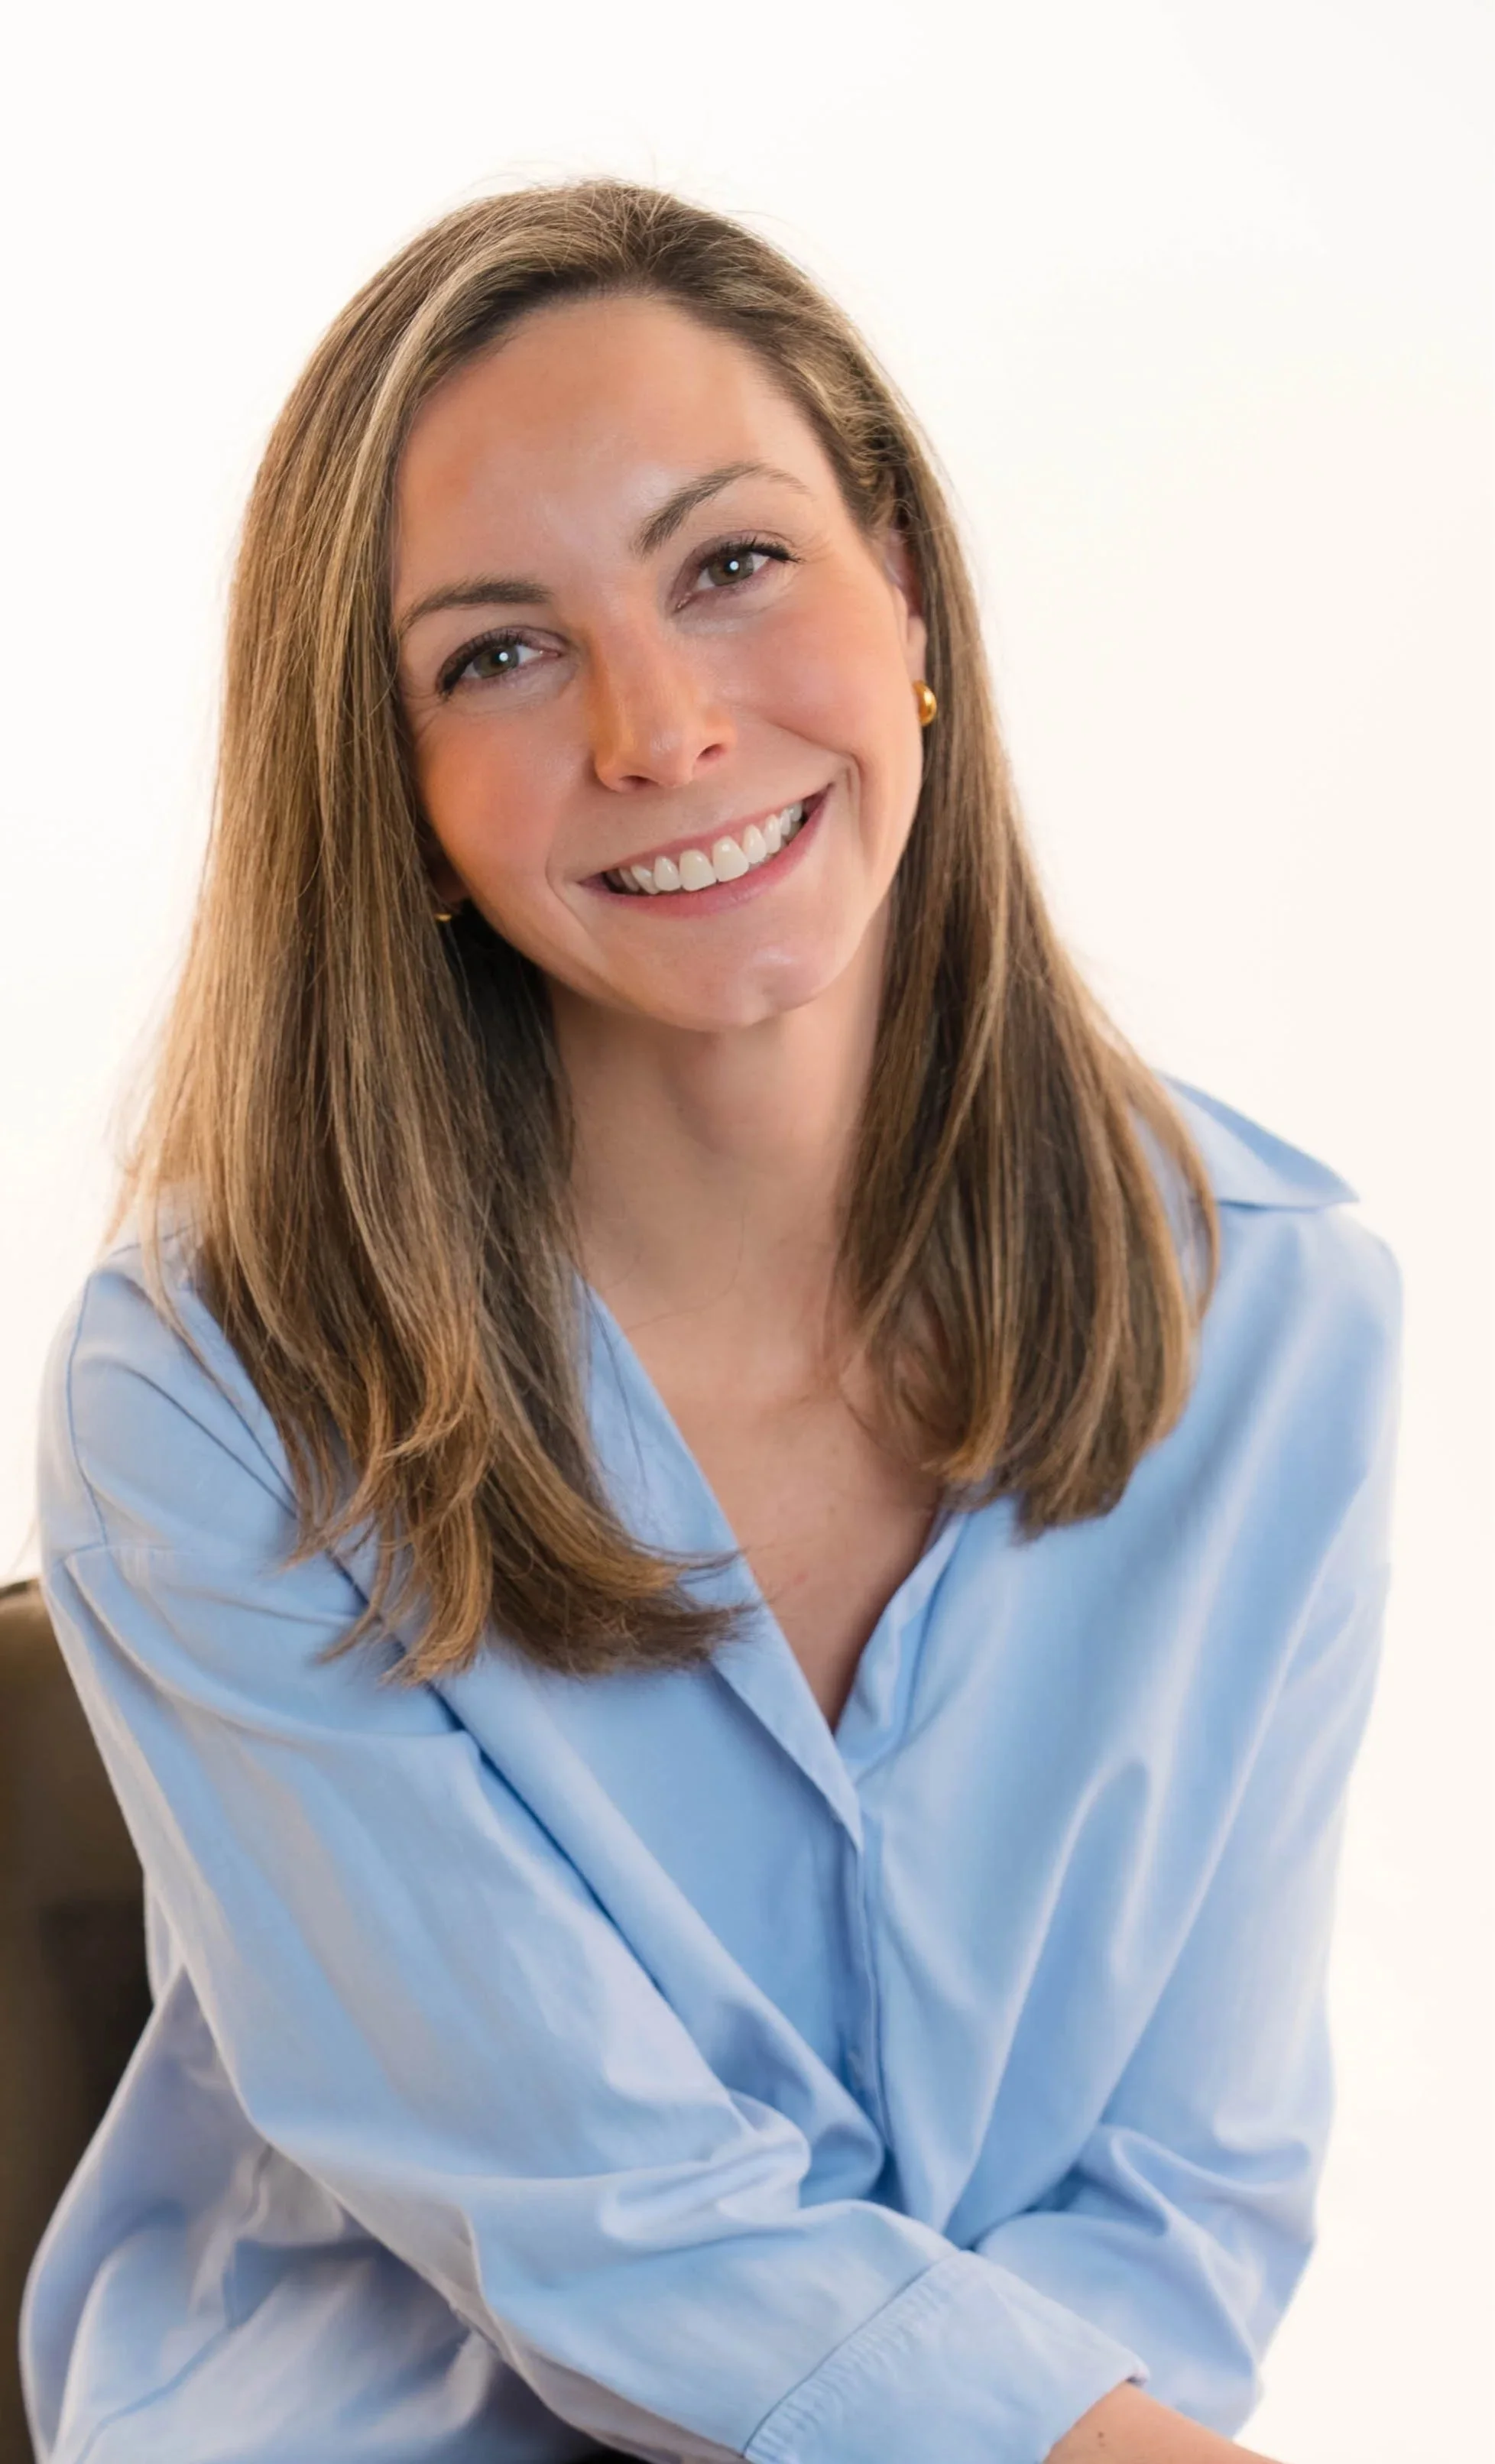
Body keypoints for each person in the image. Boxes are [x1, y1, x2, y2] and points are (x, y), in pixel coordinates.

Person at [19, 179, 1401, 2464]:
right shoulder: (213, 1394)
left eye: (730, 564)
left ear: (910, 588)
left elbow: (1178, 2206)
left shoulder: (1279, 1323)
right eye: (498, 651)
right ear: (396, 794)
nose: (658, 727)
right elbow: (601, 2228)